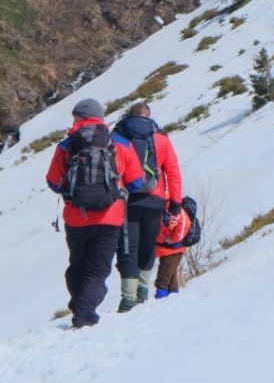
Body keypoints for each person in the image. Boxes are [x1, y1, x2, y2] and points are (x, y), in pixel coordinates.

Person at [46, 99, 144, 329]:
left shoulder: (66, 145)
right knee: (97, 270)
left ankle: (81, 306)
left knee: (77, 266)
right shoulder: (118, 142)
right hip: (110, 217)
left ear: (79, 118)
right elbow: (137, 181)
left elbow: (53, 181)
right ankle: (85, 312)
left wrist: (72, 190)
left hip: (76, 218)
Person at [111, 102, 182, 312]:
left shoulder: (119, 137)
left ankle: (128, 298)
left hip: (126, 201)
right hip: (155, 200)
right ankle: (142, 291)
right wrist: (175, 204)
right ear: (149, 116)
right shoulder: (161, 138)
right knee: (148, 246)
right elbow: (173, 172)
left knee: (127, 247)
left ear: (129, 116)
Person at [154, 201, 193, 298]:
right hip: (165, 248)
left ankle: (161, 296)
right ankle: (173, 295)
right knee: (170, 275)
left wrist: (174, 240)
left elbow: (183, 224)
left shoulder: (176, 209)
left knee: (164, 276)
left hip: (173, 249)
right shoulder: (163, 207)